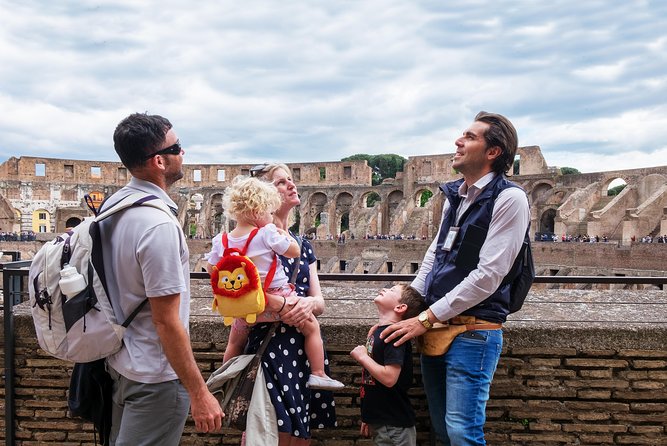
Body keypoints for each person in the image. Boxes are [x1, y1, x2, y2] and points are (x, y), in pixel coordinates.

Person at [381, 111, 530, 445]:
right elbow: (434, 257)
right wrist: (407, 305)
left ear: (493, 152)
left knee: (463, 431)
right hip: (437, 327)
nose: (458, 141)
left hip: (473, 331)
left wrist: (426, 317)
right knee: (442, 428)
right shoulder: (458, 197)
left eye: (470, 137)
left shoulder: (510, 198)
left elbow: (489, 275)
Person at [100, 113, 223, 445]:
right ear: (159, 161)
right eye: (178, 147)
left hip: (120, 363)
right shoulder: (159, 226)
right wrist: (199, 392)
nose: (184, 153)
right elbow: (166, 322)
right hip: (155, 377)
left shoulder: (112, 207)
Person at [231, 163, 338, 445]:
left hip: (303, 348)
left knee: (299, 435)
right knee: (264, 432)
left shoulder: (302, 243)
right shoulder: (253, 242)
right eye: (280, 182)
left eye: (291, 180)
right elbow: (236, 291)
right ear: (262, 198)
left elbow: (319, 301)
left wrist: (306, 306)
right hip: (268, 347)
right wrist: (280, 304)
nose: (291, 185)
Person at [210, 176, 344, 390]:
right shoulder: (266, 232)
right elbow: (294, 252)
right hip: (278, 298)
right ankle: (319, 373)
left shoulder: (221, 240)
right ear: (256, 212)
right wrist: (285, 236)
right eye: (269, 212)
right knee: (311, 327)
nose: (271, 217)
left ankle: (222, 376)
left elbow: (212, 270)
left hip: (245, 305)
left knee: (235, 342)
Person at [350, 284, 426, 446]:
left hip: (394, 426)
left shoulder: (393, 335)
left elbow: (389, 378)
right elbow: (373, 381)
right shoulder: (378, 332)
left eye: (392, 290)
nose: (384, 289)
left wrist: (363, 357)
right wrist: (369, 416)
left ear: (400, 307)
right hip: (383, 421)